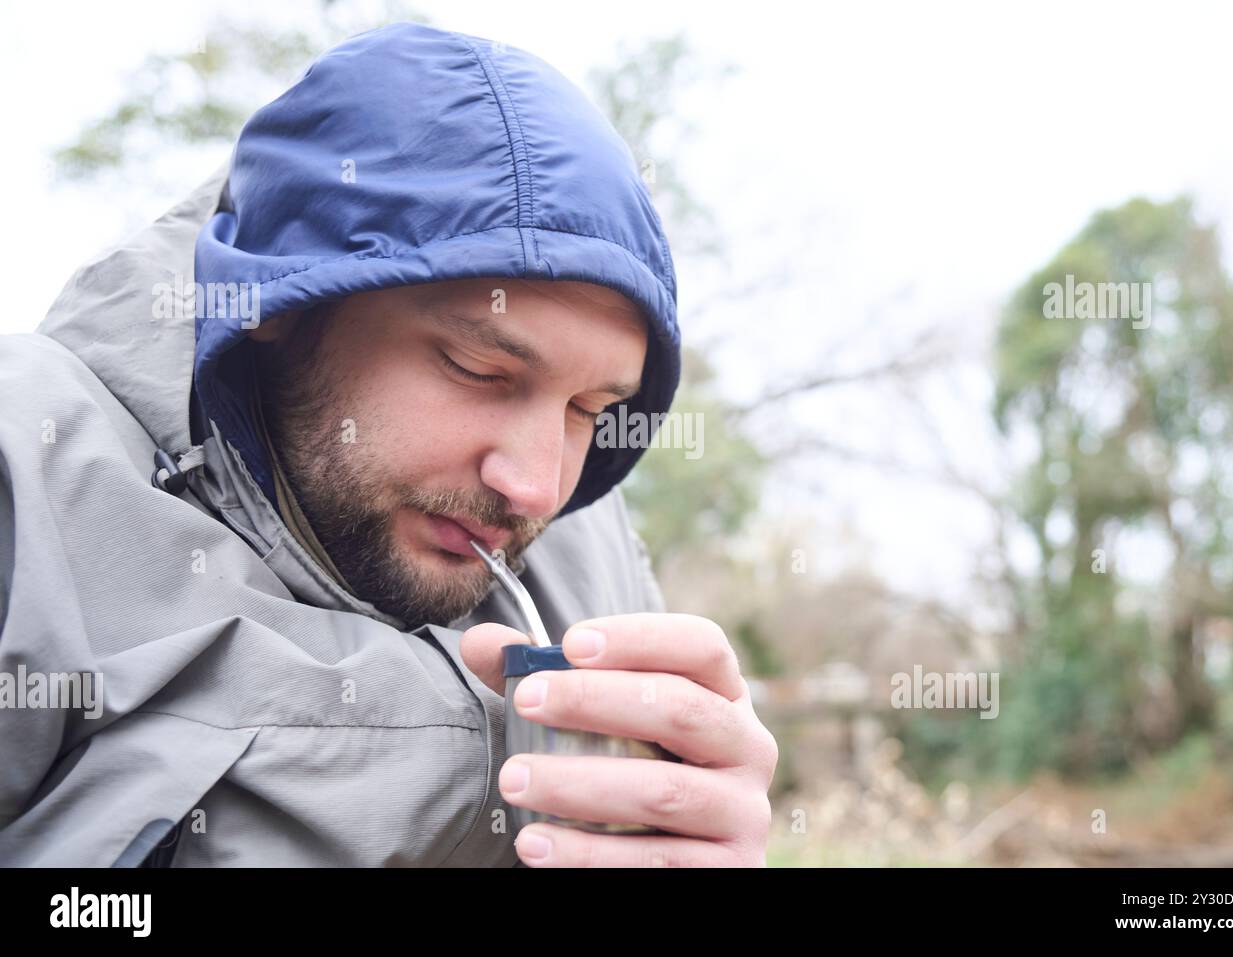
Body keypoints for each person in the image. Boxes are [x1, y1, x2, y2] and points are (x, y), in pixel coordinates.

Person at [0, 22, 775, 866]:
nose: (535, 486)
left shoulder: (585, 562)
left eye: (588, 407)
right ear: (279, 304)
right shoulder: (30, 481)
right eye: (477, 367)